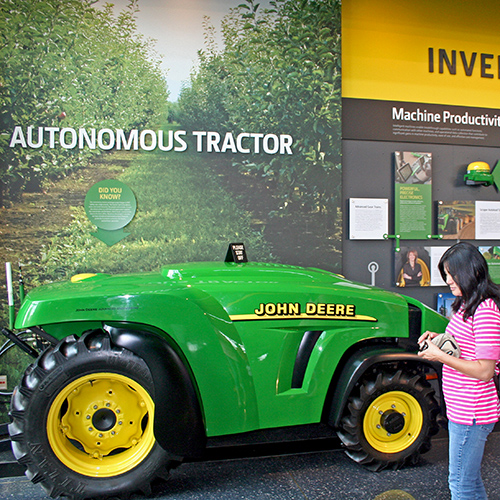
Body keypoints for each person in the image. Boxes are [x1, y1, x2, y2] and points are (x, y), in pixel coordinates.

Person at [418, 242, 500, 500]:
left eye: (452, 274)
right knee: (470, 482)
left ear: (470, 272)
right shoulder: (466, 304)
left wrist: (439, 356)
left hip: (472, 412)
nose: (448, 280)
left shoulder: (485, 310)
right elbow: (467, 346)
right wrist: (440, 337)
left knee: (460, 485)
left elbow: (485, 371)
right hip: (461, 410)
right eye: (446, 274)